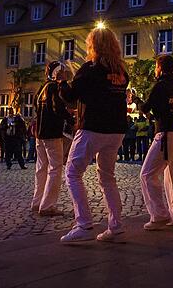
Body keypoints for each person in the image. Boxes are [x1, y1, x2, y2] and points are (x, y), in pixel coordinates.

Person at [58, 27, 129, 243]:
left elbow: (70, 97)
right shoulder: (121, 72)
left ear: (93, 46)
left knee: (72, 172)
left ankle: (84, 224)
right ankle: (115, 226)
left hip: (93, 128)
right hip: (116, 130)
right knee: (107, 176)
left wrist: (61, 81)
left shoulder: (90, 68)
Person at [131, 54, 173, 230]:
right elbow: (163, 108)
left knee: (147, 174)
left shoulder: (160, 85)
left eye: (156, 66)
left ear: (161, 68)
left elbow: (147, 107)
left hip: (165, 133)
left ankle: (159, 215)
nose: (155, 70)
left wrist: (137, 100)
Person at [31, 61, 74, 216]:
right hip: (52, 133)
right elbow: (58, 108)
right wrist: (71, 120)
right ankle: (48, 205)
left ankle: (37, 202)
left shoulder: (42, 87)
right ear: (57, 73)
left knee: (41, 169)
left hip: (40, 134)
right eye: (62, 71)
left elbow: (37, 108)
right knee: (55, 168)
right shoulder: (54, 87)